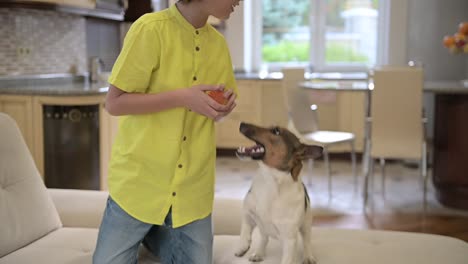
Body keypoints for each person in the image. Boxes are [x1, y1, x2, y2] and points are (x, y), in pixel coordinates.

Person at [92, 0, 242, 263]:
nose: (239, 1)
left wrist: (222, 107)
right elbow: (114, 103)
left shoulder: (218, 45)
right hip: (139, 184)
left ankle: (155, 233)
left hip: (192, 189)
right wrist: (183, 97)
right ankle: (152, 229)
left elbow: (215, 111)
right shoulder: (150, 29)